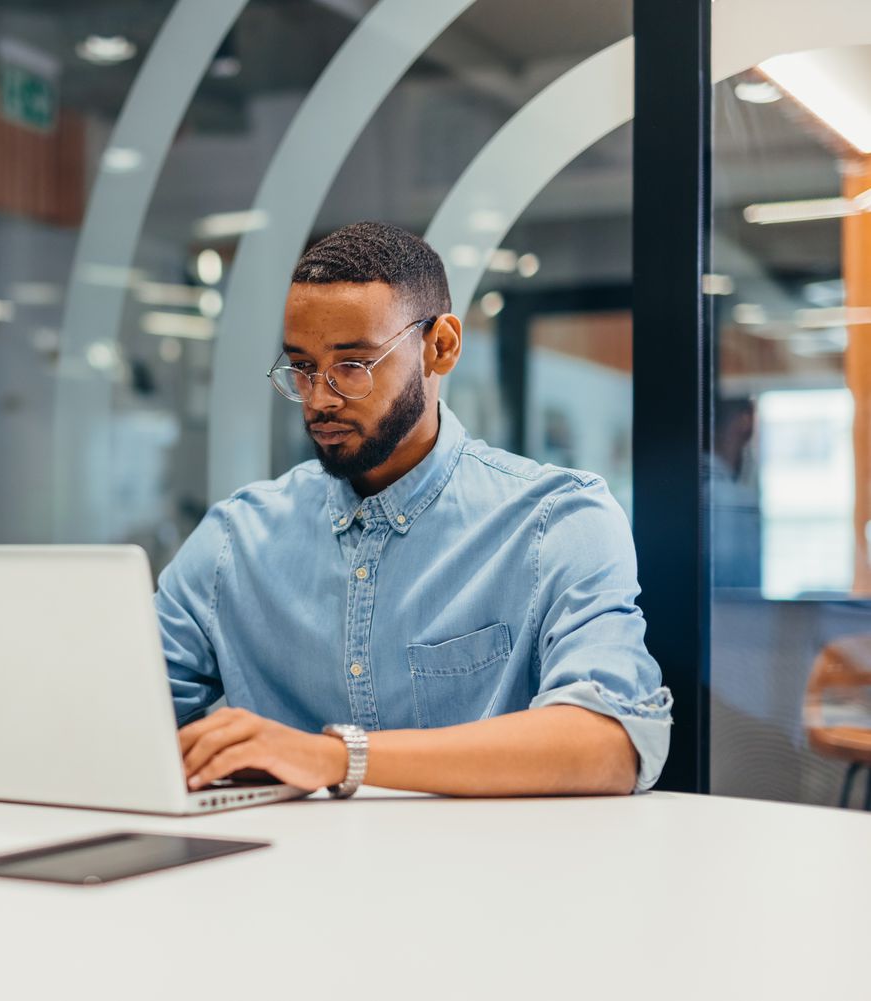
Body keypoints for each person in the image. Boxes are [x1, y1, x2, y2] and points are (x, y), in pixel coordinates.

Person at [158, 222, 672, 798]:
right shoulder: (235, 539)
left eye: (352, 366)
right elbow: (119, 718)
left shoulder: (556, 520)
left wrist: (334, 758)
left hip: (491, 879)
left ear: (441, 347)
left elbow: (611, 745)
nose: (321, 399)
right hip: (281, 879)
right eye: (302, 368)